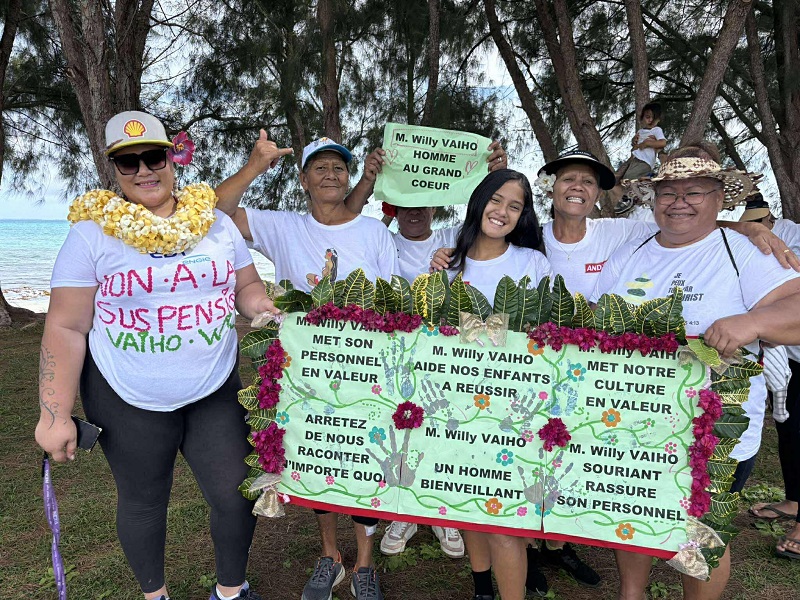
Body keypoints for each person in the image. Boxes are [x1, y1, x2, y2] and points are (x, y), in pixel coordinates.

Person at [35, 111, 280, 600]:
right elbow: (65, 325)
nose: (145, 170)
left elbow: (246, 286)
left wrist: (263, 308)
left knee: (237, 494)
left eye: (154, 157)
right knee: (144, 503)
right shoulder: (91, 234)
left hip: (213, 388)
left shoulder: (216, 224)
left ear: (173, 158)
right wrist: (54, 414)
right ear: (114, 170)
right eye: (129, 163)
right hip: (126, 395)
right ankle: (156, 595)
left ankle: (231, 592)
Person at [592, 143, 800, 599]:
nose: (679, 202)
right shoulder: (632, 250)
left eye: (695, 192)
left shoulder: (744, 252)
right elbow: (595, 318)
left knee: (698, 536)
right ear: (654, 198)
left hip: (714, 431)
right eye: (669, 192)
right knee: (633, 513)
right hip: (632, 421)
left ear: (719, 198)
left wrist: (753, 323)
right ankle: (631, 595)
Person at [215, 134, 399, 600]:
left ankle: (364, 564)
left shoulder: (374, 232)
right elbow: (216, 210)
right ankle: (329, 556)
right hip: (304, 373)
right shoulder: (282, 226)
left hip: (365, 372)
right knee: (316, 458)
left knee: (365, 462)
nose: (331, 175)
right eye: (320, 167)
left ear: (350, 176)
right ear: (303, 179)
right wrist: (254, 166)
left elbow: (392, 302)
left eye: (339, 167)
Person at [443, 169, 553, 600]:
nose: (502, 211)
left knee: (505, 522)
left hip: (513, 412)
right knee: (469, 506)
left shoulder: (532, 263)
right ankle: (481, 589)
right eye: (496, 200)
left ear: (523, 216)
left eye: (515, 206)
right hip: (457, 409)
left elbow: (544, 335)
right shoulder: (447, 264)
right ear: (479, 200)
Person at [740, 193, 800, 560]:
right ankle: (794, 500)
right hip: (789, 353)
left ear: (772, 221)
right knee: (790, 428)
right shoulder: (750, 238)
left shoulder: (793, 237)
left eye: (760, 224)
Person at [612, 102, 667, 213]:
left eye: (654, 118)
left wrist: (647, 143)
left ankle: (629, 199)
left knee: (629, 179)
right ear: (642, 118)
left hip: (644, 161)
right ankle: (636, 195)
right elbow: (635, 143)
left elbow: (662, 143)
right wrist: (634, 141)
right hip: (635, 159)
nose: (650, 120)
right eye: (647, 117)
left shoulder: (656, 130)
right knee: (625, 179)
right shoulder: (641, 131)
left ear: (658, 120)